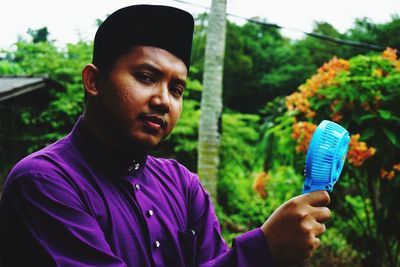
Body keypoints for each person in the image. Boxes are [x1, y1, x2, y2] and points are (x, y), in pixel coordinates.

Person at [0, 5, 330, 267]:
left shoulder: (183, 186)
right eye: (145, 77)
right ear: (94, 81)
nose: (163, 100)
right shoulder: (44, 182)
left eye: (176, 89)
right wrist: (262, 250)